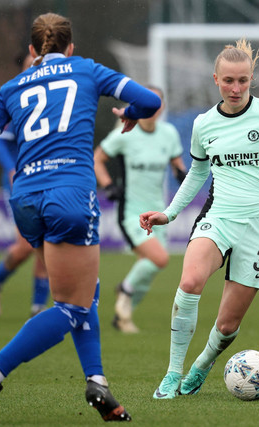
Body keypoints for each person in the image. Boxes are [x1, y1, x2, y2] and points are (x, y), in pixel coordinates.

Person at [0, 12, 161, 423]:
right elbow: (150, 101)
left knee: (82, 290)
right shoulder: (86, 69)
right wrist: (129, 113)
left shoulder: (11, 86)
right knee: (72, 306)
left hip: (25, 199)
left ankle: (98, 383)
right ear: (70, 47)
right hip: (69, 194)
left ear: (34, 51)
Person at [140, 38, 259, 400]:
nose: (235, 88)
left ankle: (203, 363)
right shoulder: (204, 124)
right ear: (216, 79)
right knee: (190, 281)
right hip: (220, 215)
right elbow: (197, 174)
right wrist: (169, 213)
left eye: (243, 80)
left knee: (228, 324)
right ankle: (171, 373)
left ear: (251, 80)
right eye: (228, 80)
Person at [94, 85, 187, 333]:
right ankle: (124, 289)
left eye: (156, 102)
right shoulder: (125, 134)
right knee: (159, 258)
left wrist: (184, 175)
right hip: (132, 213)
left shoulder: (168, 133)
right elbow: (97, 159)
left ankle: (123, 317)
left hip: (159, 213)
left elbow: (178, 165)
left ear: (161, 107)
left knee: (152, 265)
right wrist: (108, 185)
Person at [0, 54, 50, 318]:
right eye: (31, 64)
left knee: (47, 245)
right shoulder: (17, 97)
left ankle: (37, 310)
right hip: (20, 181)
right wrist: (12, 169)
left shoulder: (55, 97)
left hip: (47, 179)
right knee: (26, 246)